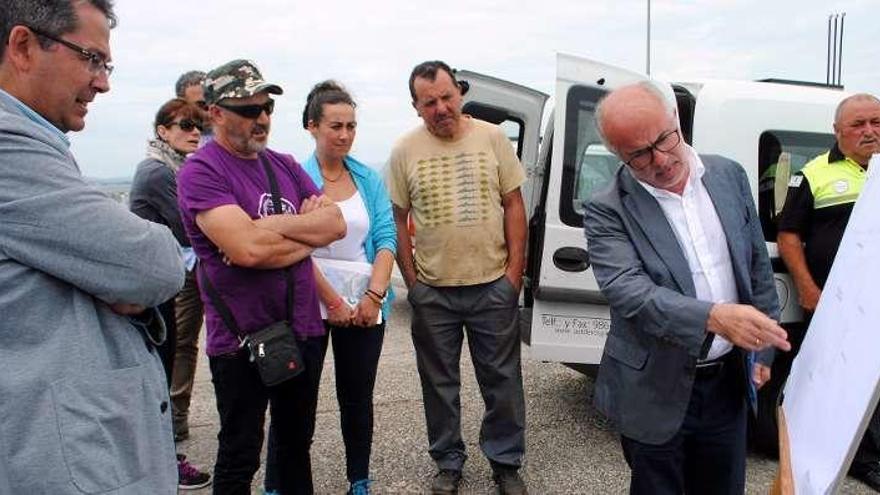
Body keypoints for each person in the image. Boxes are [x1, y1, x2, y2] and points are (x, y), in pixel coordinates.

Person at [0, 1, 186, 493]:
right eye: (91, 58)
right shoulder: (8, 146)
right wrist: (115, 274)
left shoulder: (39, 146)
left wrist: (101, 269)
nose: (102, 82)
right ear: (22, 46)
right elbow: (155, 265)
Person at [583, 81, 791, 495]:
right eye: (639, 155)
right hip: (652, 388)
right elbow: (629, 291)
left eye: (664, 139)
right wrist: (714, 317)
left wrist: (761, 348)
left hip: (728, 385)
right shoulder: (607, 207)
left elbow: (755, 267)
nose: (660, 161)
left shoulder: (728, 175)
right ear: (617, 155)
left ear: (675, 120)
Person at [176, 59, 345, 494]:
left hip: (301, 329)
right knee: (240, 451)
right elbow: (246, 250)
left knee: (294, 446)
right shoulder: (202, 170)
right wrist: (299, 235)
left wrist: (264, 227)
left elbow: (335, 226)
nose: (263, 119)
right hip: (240, 340)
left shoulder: (284, 164)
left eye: (266, 107)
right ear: (215, 113)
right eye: (249, 110)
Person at [386, 60, 528, 495]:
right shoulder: (404, 150)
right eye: (429, 102)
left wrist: (513, 276)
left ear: (459, 93)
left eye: (447, 97)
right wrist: (413, 283)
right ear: (416, 107)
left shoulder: (492, 138)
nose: (441, 107)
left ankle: (505, 462)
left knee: (502, 381)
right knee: (439, 384)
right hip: (435, 293)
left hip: (491, 286)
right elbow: (397, 218)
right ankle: (448, 462)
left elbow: (514, 206)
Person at [777, 93, 880, 491]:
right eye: (858, 125)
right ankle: (863, 460)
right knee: (845, 380)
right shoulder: (815, 173)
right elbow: (788, 235)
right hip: (837, 306)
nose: (869, 131)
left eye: (876, 122)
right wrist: (808, 289)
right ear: (837, 131)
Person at [299, 80, 397, 495]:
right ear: (312, 126)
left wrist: (374, 297)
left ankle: (358, 478)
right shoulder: (296, 178)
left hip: (364, 304)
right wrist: (332, 301)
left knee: (357, 399)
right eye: (335, 125)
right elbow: (293, 248)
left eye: (351, 126)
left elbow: (386, 237)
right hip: (310, 301)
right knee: (297, 402)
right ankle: (282, 479)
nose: (344, 135)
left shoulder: (368, 179)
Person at [129, 97, 212, 490]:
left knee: (172, 356)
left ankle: (163, 454)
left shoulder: (174, 167)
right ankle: (164, 461)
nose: (194, 132)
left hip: (164, 281)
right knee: (161, 366)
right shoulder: (158, 172)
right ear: (162, 131)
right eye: (184, 125)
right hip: (156, 286)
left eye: (198, 125)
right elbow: (189, 227)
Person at [171, 70, 210, 443]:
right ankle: (176, 414)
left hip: (221, 260)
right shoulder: (173, 146)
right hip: (186, 261)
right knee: (183, 339)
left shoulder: (224, 142)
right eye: (198, 104)